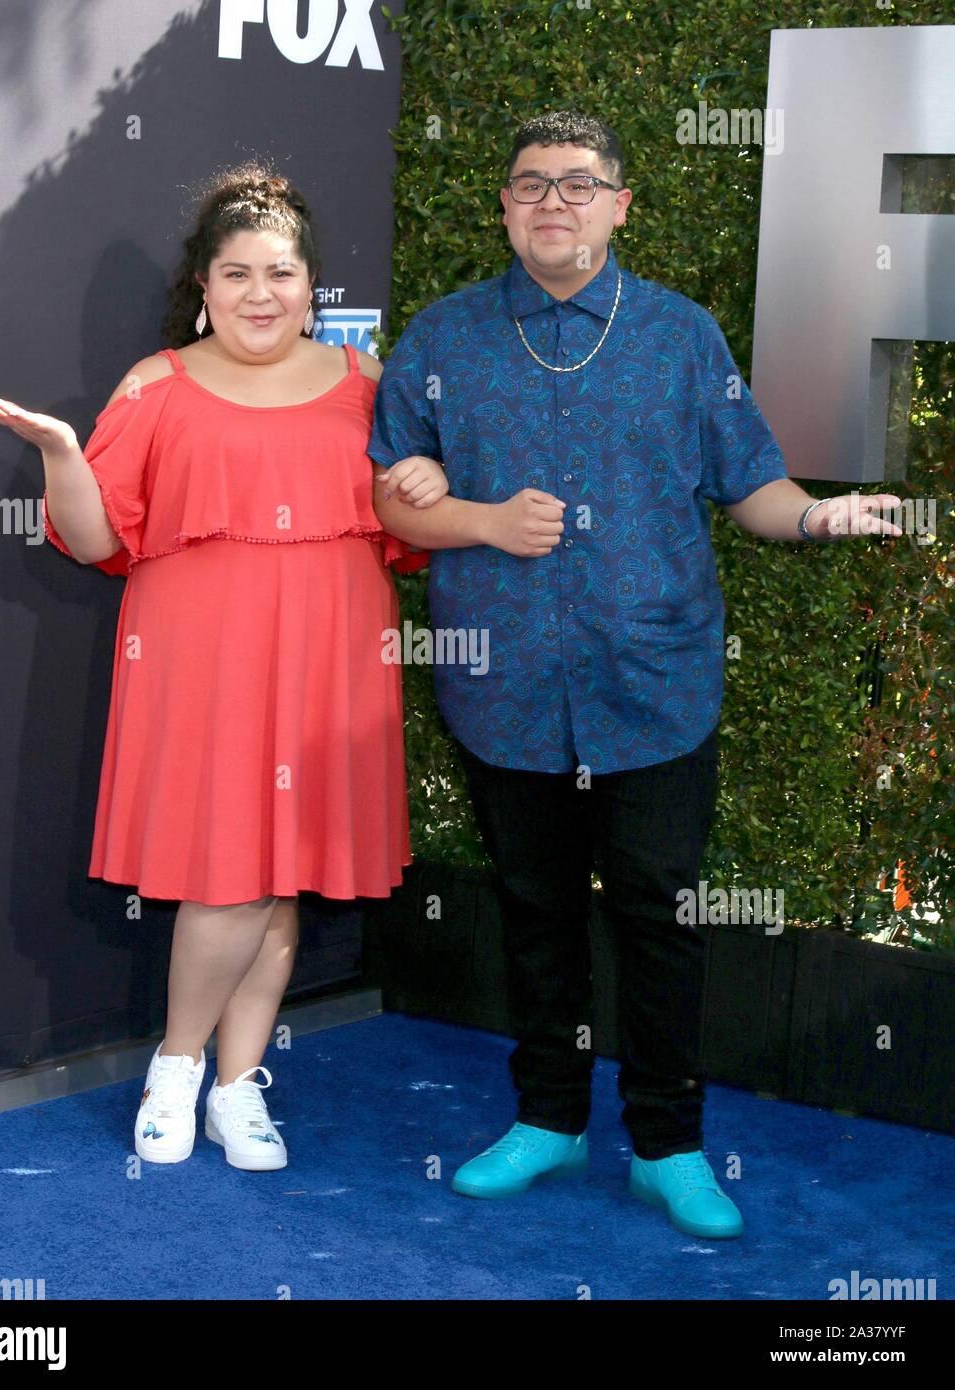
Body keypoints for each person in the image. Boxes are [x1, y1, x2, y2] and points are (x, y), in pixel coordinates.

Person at [369, 110, 902, 1238]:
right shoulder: (439, 341)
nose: (550, 200)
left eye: (576, 182)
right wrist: (468, 514)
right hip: (504, 686)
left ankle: (667, 1143)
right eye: (528, 184)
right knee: (534, 913)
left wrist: (818, 518)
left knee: (660, 918)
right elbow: (391, 492)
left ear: (620, 204)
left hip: (652, 688)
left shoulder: (679, 337)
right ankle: (548, 1119)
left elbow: (748, 484)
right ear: (502, 207)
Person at [0, 161, 447, 1174]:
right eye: (236, 274)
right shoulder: (157, 385)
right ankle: (178, 1065)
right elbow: (96, 534)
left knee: (279, 878)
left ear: (309, 282)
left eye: (279, 271)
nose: (259, 293)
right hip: (203, 659)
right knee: (228, 874)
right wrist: (63, 453)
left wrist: (430, 477)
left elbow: (413, 516)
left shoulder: (367, 384)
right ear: (204, 286)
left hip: (329, 651)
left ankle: (237, 1086)